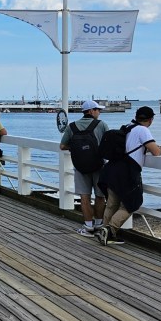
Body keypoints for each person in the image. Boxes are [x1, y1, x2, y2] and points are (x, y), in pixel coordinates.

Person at [96, 106, 161, 246]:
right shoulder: (143, 130)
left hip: (111, 169)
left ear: (137, 116)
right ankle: (109, 230)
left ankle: (104, 232)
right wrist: (160, 149)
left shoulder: (128, 126)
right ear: (151, 119)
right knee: (131, 204)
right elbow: (156, 152)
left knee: (112, 204)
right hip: (127, 173)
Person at [60, 100, 109, 236]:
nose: (99, 112)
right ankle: (99, 225)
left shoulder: (72, 127)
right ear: (91, 111)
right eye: (98, 110)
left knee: (85, 197)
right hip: (99, 166)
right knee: (100, 196)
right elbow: (109, 144)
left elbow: (62, 146)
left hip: (80, 167)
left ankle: (88, 227)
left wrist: (77, 148)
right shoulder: (101, 125)